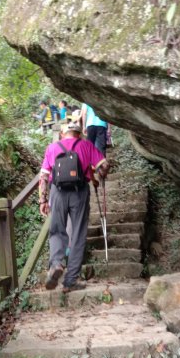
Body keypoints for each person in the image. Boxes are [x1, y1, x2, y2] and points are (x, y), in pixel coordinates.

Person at [38, 122, 110, 292]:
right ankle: (70, 280)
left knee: (57, 230)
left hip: (58, 192)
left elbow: (43, 176)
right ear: (79, 134)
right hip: (80, 193)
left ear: (63, 133)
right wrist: (100, 176)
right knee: (78, 233)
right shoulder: (87, 145)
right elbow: (104, 165)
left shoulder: (52, 147)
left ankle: (56, 264)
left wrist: (42, 200)